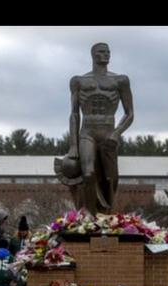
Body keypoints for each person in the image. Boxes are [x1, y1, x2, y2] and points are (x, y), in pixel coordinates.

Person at [56, 42, 134, 215]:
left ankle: (107, 216)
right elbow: (74, 114)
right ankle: (89, 217)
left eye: (108, 52)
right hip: (88, 131)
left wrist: (116, 133)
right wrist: (73, 145)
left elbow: (130, 114)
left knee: (111, 178)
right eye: (101, 52)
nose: (106, 55)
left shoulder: (120, 80)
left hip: (108, 133)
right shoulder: (79, 81)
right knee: (88, 173)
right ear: (93, 55)